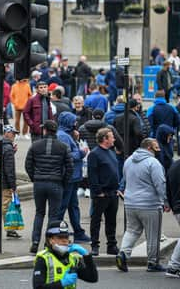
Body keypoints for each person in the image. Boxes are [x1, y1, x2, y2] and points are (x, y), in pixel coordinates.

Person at [116, 138, 168, 273]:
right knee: (153, 234)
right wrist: (165, 201)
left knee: (132, 230)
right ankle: (152, 262)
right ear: (149, 147)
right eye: (156, 147)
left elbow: (125, 179)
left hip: (130, 203)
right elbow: (160, 184)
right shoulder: (153, 163)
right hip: (150, 204)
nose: (159, 149)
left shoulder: (129, 160)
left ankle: (123, 254)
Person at [25, 120, 73, 254]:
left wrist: (34, 178)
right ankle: (49, 243)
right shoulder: (63, 147)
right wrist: (64, 181)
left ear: (45, 130)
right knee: (54, 216)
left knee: (39, 213)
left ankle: (35, 242)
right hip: (56, 183)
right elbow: (70, 167)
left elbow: (28, 165)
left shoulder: (35, 145)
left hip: (39, 183)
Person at [56, 112, 91, 243]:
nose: (76, 124)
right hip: (69, 176)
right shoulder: (63, 136)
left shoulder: (66, 135)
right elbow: (68, 156)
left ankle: (78, 231)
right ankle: (56, 231)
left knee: (72, 205)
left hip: (73, 176)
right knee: (64, 205)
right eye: (74, 122)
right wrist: (82, 153)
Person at [32, 220, 98, 289]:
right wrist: (62, 283)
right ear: (51, 240)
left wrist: (86, 254)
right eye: (60, 237)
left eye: (66, 237)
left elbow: (92, 278)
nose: (64, 240)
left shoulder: (73, 259)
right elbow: (38, 287)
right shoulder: (43, 259)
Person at [87, 128, 120, 256]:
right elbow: (92, 174)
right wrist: (98, 191)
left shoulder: (111, 152)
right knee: (96, 220)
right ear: (105, 139)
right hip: (101, 194)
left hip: (113, 193)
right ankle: (95, 245)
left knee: (111, 221)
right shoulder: (94, 154)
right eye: (112, 137)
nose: (114, 139)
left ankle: (111, 245)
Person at [165, 157, 180, 277]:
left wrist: (171, 205)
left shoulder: (173, 166)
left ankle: (174, 266)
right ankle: (173, 266)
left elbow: (168, 189)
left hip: (176, 207)